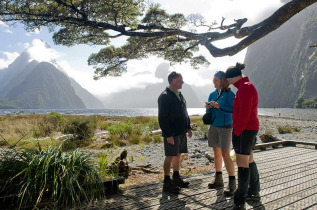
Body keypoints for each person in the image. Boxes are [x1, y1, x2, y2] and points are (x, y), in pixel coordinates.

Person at [225, 63, 260, 210]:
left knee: (242, 164)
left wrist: (237, 131)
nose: (229, 83)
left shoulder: (244, 87)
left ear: (233, 77)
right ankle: (254, 191)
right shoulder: (247, 85)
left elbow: (245, 113)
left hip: (245, 131)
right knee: (249, 160)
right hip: (250, 129)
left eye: (229, 80)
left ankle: (240, 200)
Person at [158, 71, 193, 194]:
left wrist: (188, 127)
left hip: (181, 131)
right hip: (172, 132)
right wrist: (168, 134)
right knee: (170, 155)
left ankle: (176, 177)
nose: (182, 82)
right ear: (173, 81)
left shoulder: (180, 95)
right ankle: (167, 182)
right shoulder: (165, 96)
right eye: (180, 79)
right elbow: (162, 117)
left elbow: (185, 112)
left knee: (177, 154)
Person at [205, 71, 236, 196]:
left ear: (222, 81)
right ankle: (218, 179)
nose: (214, 82)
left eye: (216, 80)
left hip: (225, 127)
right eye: (213, 80)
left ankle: (232, 182)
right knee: (216, 152)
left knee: (225, 153)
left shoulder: (229, 94)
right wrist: (208, 110)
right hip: (214, 126)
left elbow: (233, 110)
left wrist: (219, 107)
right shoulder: (212, 94)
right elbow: (209, 113)